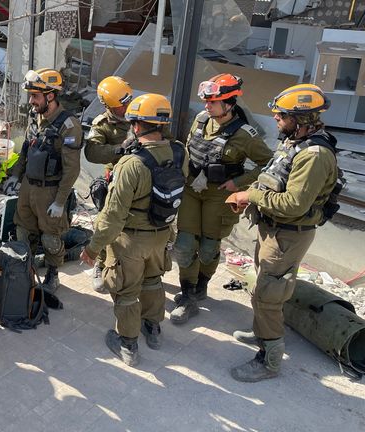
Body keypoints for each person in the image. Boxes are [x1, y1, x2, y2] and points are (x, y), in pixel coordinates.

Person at [227, 84, 339, 382]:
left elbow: (293, 204)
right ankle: (262, 330)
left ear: (301, 120)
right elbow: (274, 179)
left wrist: (249, 197)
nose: (276, 119)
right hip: (273, 230)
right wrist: (252, 193)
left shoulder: (314, 155)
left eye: (281, 116)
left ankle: (269, 360)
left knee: (269, 295)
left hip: (288, 234)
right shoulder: (295, 141)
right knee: (263, 284)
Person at [80, 94, 188, 366]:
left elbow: (113, 215)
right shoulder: (179, 152)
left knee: (126, 292)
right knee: (153, 281)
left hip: (131, 241)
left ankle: (128, 344)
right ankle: (152, 328)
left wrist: (93, 248)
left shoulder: (131, 164)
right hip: (162, 233)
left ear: (138, 126)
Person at [170, 73, 273, 324]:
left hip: (220, 195)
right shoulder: (201, 119)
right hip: (192, 189)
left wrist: (238, 183)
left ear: (229, 103)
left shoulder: (245, 135)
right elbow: (188, 148)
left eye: (212, 102)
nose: (206, 106)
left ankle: (201, 286)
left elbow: (268, 164)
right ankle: (188, 295)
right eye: (206, 101)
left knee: (208, 248)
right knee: (184, 245)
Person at [7, 68, 82, 293]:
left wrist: (60, 202)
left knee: (50, 238)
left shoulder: (69, 126)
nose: (31, 101)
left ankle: (52, 274)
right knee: (23, 231)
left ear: (50, 96)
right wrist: (14, 177)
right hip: (29, 186)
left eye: (35, 96)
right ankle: (26, 270)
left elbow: (71, 170)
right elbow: (25, 151)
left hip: (50, 190)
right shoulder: (35, 117)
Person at [84, 76, 134, 293]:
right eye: (120, 106)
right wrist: (119, 149)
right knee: (106, 223)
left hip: (139, 179)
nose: (126, 108)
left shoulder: (140, 113)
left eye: (127, 102)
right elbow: (92, 151)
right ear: (108, 106)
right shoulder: (102, 125)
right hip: (115, 180)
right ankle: (100, 263)